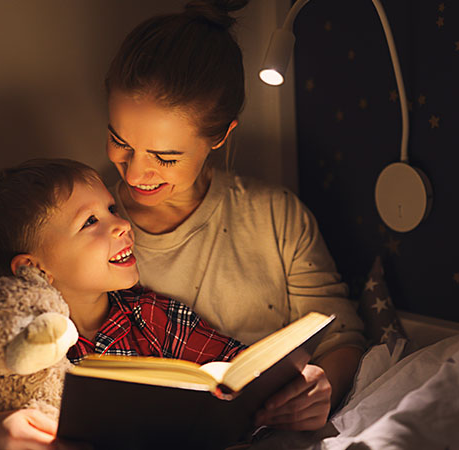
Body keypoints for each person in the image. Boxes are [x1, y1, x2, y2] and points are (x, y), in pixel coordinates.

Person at [104, 0, 365, 433]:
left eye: (165, 158)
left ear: (221, 136)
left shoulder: (275, 217)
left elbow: (342, 337)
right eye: (120, 142)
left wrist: (323, 386)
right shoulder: (87, 224)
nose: (133, 174)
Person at [0, 158, 247, 449]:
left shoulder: (148, 315)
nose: (122, 224)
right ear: (34, 268)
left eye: (112, 210)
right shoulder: (8, 331)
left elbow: (239, 367)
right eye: (90, 221)